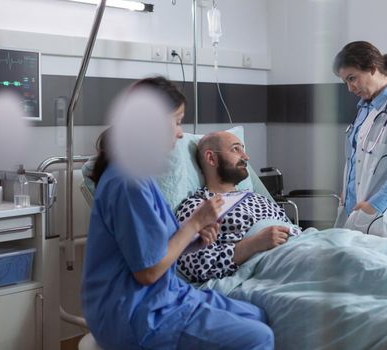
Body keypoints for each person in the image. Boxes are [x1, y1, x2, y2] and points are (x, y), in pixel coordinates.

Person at [81, 77, 274, 350]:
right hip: (134, 311)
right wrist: (194, 221)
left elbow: (151, 248)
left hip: (162, 293)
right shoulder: (128, 182)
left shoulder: (141, 175)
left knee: (257, 314)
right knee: (259, 337)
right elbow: (147, 272)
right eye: (177, 121)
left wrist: (195, 236)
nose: (181, 133)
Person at [176, 131, 300, 283]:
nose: (246, 157)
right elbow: (198, 266)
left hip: (299, 247)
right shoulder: (199, 208)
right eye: (236, 149)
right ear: (211, 158)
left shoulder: (258, 197)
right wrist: (254, 244)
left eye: (243, 149)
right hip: (274, 266)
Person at [332, 41, 387, 243]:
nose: (350, 87)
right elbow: (357, 160)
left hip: (381, 218)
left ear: (372, 68)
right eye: (346, 81)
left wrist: (374, 206)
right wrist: (347, 192)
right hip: (353, 211)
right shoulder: (365, 108)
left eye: (352, 78)